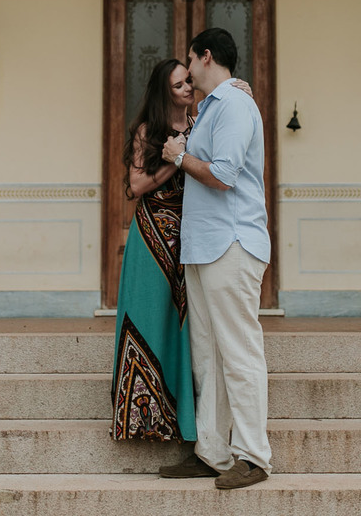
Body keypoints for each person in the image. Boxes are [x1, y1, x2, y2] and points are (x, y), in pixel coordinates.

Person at [110, 59, 253, 443]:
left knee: (192, 333)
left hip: (192, 238)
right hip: (152, 237)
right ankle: (146, 419)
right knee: (150, 321)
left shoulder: (200, 123)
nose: (188, 88)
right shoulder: (148, 131)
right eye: (178, 85)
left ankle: (190, 426)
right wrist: (176, 160)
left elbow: (219, 157)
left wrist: (240, 88)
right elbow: (137, 185)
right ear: (163, 92)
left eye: (189, 81)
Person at [158, 27, 272, 490]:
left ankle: (254, 455)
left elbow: (223, 176)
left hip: (232, 244)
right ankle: (212, 451)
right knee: (207, 356)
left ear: (207, 57)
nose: (186, 69)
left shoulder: (236, 106)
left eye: (190, 59)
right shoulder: (212, 108)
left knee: (239, 352)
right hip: (203, 248)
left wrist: (179, 156)